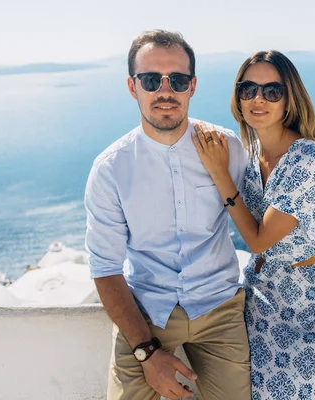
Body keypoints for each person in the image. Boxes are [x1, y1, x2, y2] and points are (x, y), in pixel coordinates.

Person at [84, 30, 251, 400]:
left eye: (177, 80)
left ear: (192, 86)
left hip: (218, 307)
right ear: (133, 87)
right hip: (146, 312)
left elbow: (264, 216)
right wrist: (145, 351)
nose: (165, 90)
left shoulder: (229, 149)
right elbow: (105, 268)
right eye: (150, 80)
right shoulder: (111, 169)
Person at [192, 50, 315, 400]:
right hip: (265, 290)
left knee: (308, 390)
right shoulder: (251, 151)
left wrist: (219, 173)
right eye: (248, 89)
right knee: (265, 389)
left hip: (311, 299)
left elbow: (259, 239)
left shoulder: (304, 158)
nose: (258, 99)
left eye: (271, 91)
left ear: (289, 99)